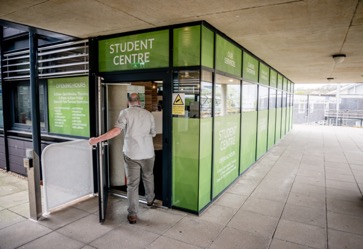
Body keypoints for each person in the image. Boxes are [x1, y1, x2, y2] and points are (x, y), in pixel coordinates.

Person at [89, 93, 156, 224]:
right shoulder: (149, 114)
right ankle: (150, 199)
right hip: (148, 153)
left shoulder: (125, 112)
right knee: (148, 176)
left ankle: (133, 214)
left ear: (128, 101)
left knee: (132, 184)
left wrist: (96, 140)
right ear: (139, 101)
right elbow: (153, 133)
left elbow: (116, 131)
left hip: (132, 154)